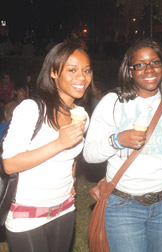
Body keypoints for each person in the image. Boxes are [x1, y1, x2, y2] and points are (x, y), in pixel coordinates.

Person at [83, 37, 162, 252]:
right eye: (140, 65)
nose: (149, 69)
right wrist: (117, 140)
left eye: (155, 62)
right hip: (124, 205)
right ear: (130, 71)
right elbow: (89, 154)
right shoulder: (113, 102)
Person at [2, 42, 92, 252]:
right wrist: (59, 143)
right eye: (72, 70)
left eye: (86, 70)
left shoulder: (81, 116)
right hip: (27, 213)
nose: (82, 77)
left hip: (64, 209)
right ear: (53, 72)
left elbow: (72, 156)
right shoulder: (31, 109)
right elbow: (10, 164)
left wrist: (71, 177)